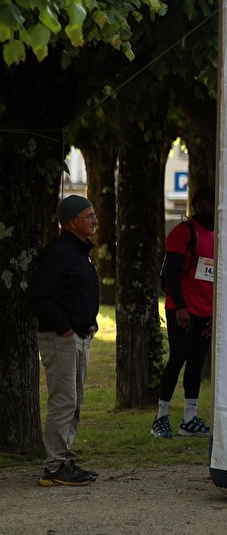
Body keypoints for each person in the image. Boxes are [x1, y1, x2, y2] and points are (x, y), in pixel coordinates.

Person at [29, 195, 102, 487]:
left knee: (76, 401)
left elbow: (76, 294)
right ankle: (55, 466)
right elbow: (38, 297)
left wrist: (91, 321)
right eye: (90, 215)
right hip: (62, 338)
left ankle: (64, 458)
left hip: (80, 335)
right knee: (63, 401)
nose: (95, 220)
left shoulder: (79, 252)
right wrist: (64, 328)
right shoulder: (57, 253)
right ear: (73, 222)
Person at [153, 185, 216, 440]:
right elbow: (171, 273)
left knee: (196, 364)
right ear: (199, 205)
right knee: (177, 359)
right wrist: (180, 307)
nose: (215, 209)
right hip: (183, 310)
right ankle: (160, 418)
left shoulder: (217, 233)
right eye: (211, 204)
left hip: (206, 311)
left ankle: (189, 419)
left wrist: (215, 312)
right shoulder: (183, 232)